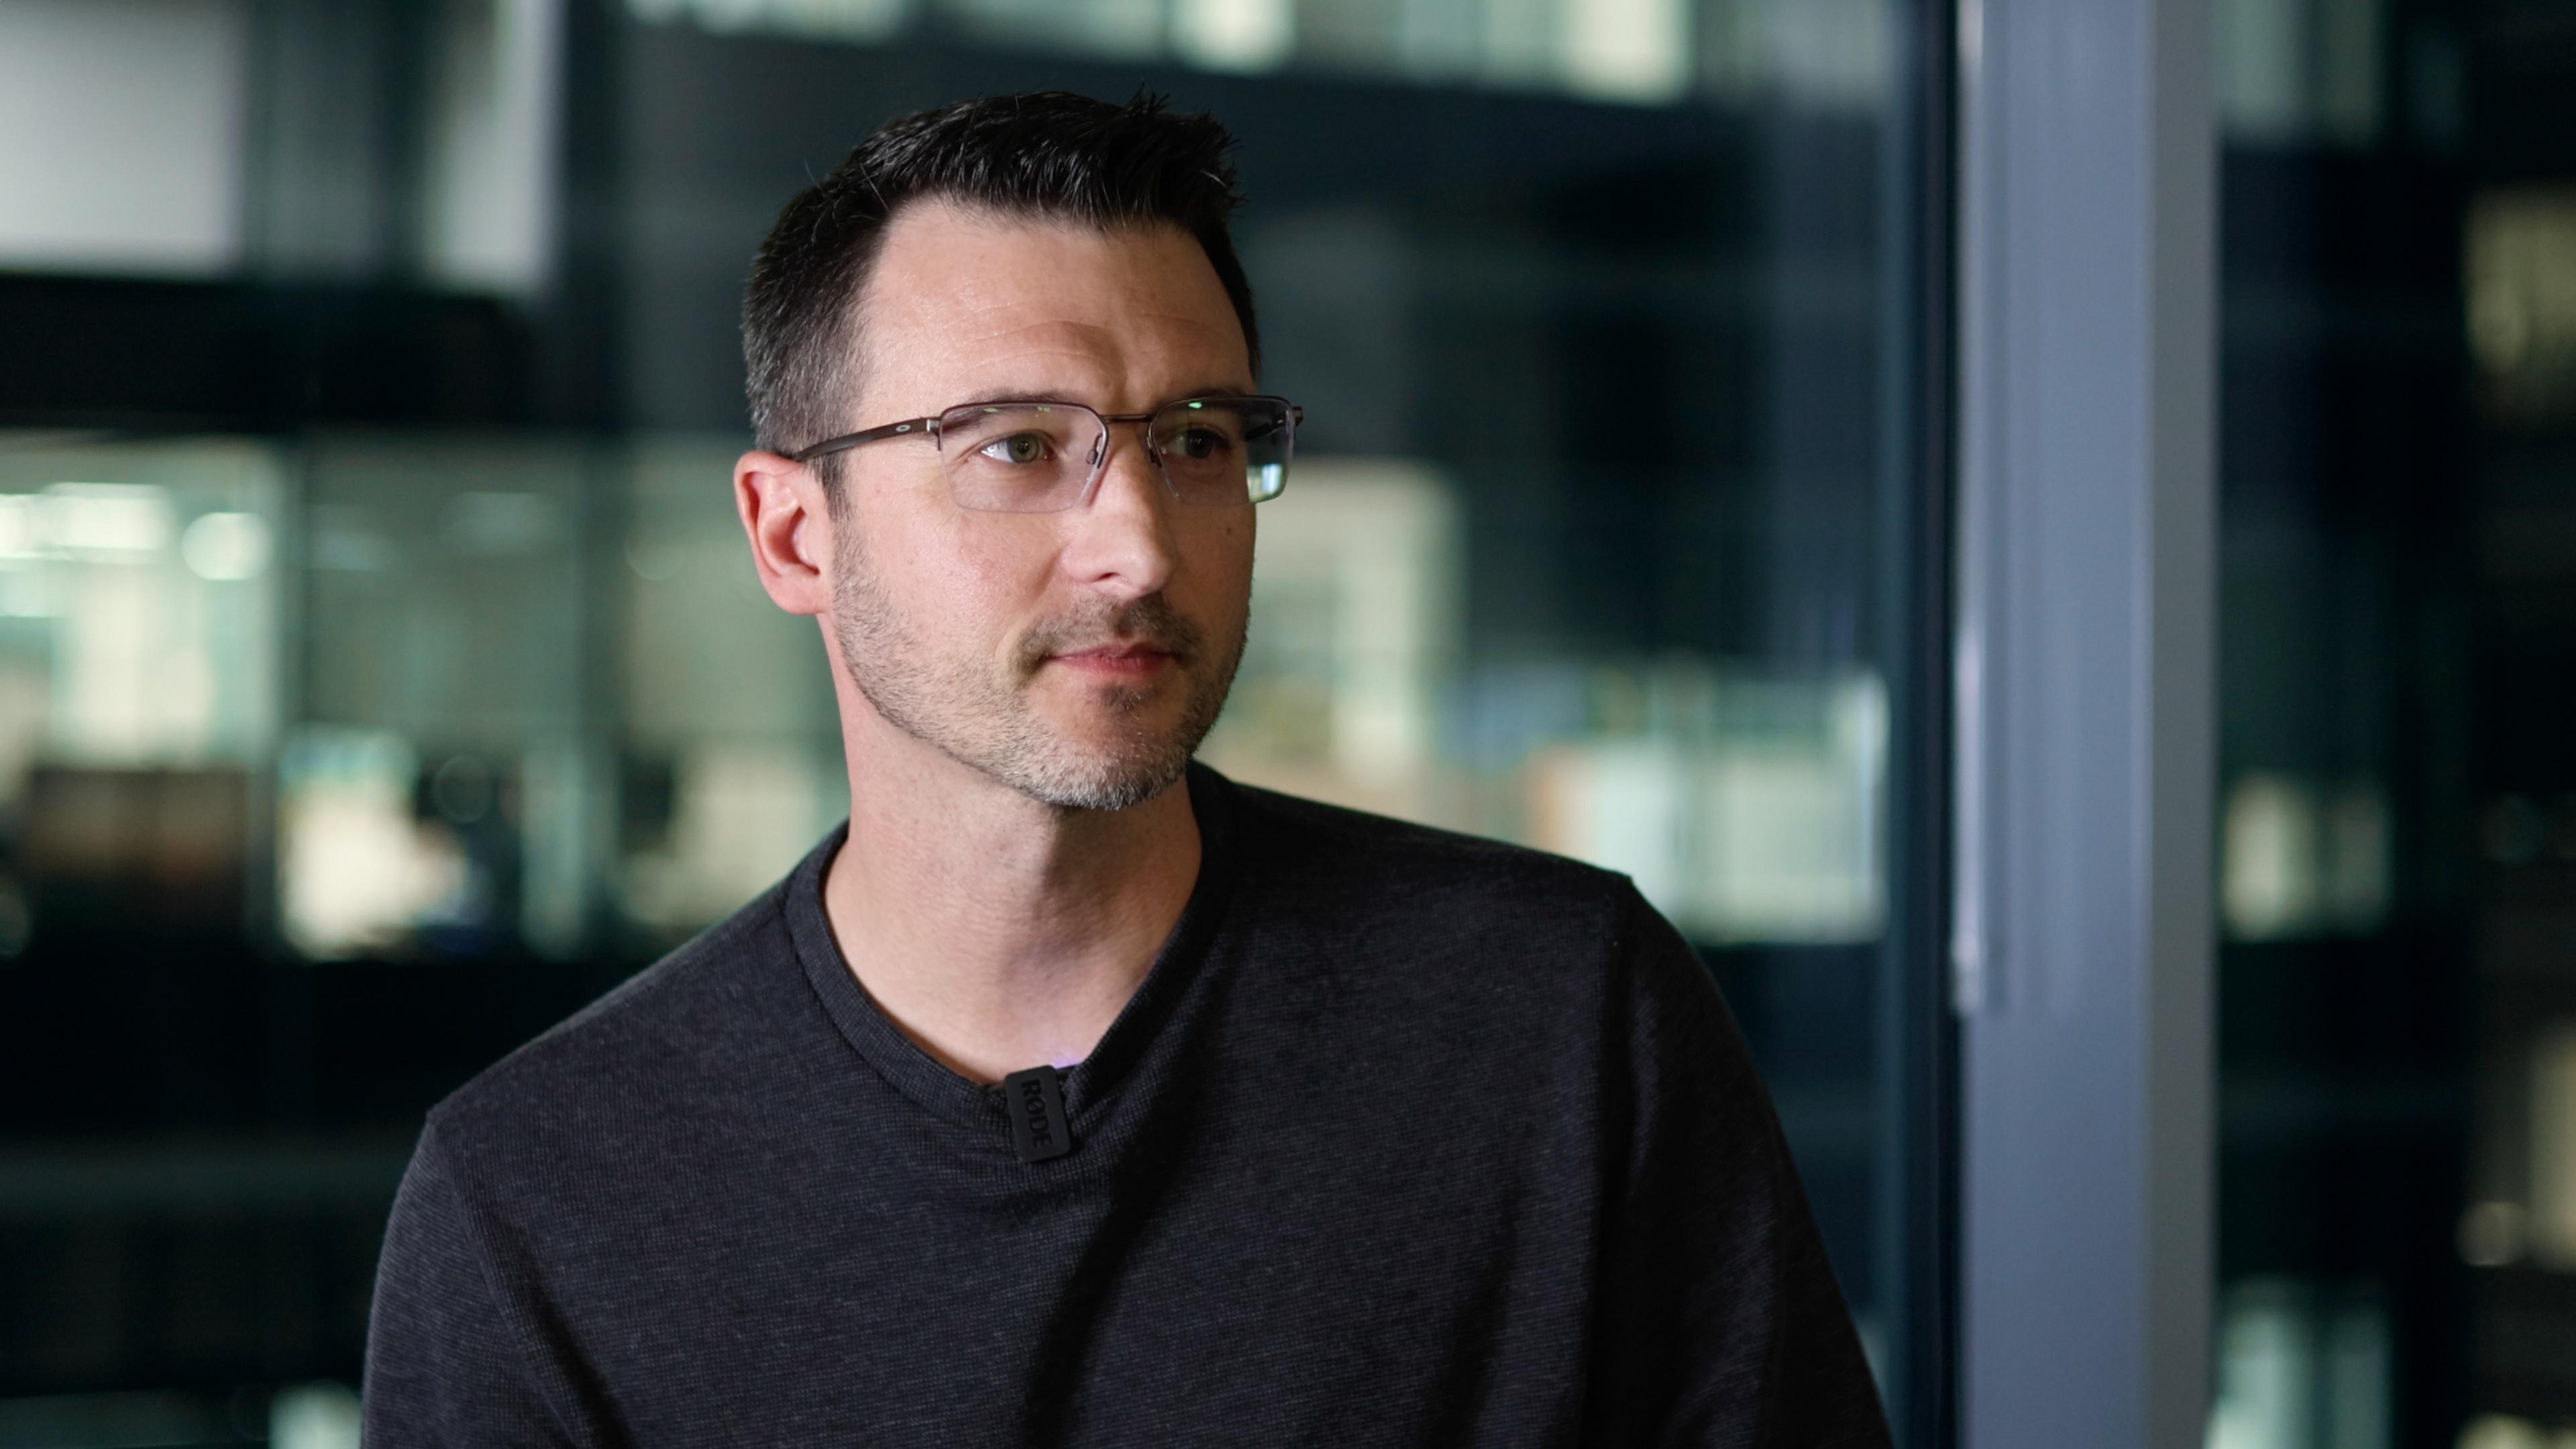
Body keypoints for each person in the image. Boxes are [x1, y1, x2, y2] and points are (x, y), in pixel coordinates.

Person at [361, 90, 1891, 1446]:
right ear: (793, 533)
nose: (1140, 544)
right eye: (1017, 447)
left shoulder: (1559, 1017)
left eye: (1200, 439)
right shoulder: (543, 1198)